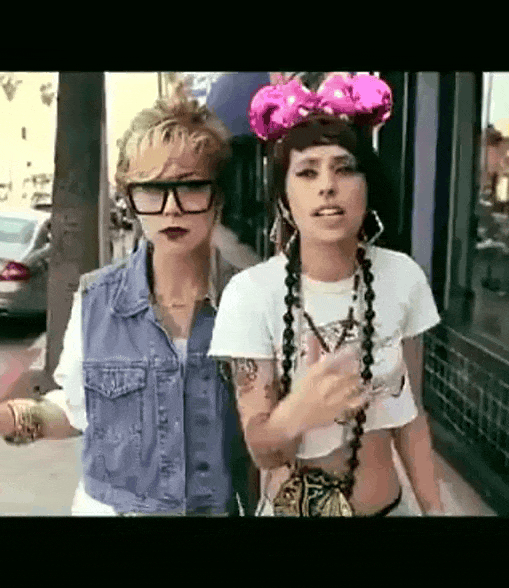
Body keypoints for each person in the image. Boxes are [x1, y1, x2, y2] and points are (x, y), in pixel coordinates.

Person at [0, 86, 254, 516]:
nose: (171, 209)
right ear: (130, 200)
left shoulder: (249, 300)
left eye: (190, 187)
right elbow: (75, 410)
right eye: (152, 190)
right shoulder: (97, 300)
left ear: (217, 197)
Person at [208, 73, 446, 516]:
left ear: (367, 186)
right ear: (284, 198)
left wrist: (435, 509)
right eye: (306, 172)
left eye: (344, 168)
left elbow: (412, 418)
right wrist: (297, 412)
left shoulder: (403, 278)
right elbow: (262, 452)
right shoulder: (250, 295)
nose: (327, 186)